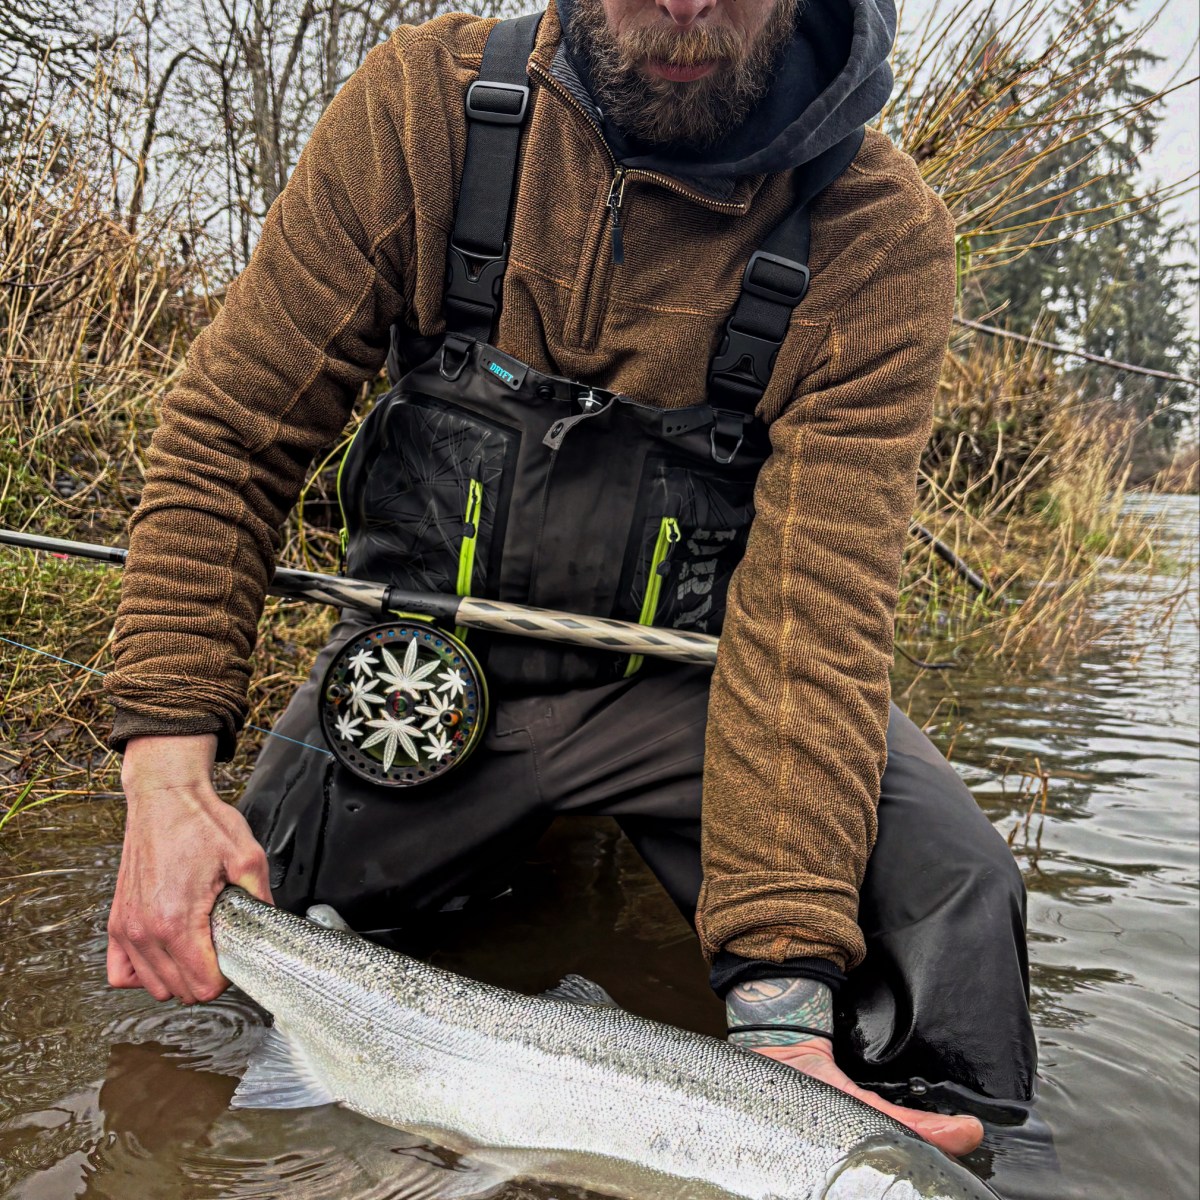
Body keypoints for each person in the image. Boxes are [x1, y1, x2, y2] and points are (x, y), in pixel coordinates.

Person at [102, 0, 1036, 1160]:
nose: (686, 6)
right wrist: (166, 782)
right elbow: (227, 443)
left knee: (956, 908)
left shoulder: (877, 238)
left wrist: (784, 1017)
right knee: (210, 954)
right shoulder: (421, 109)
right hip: (431, 691)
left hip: (696, 698)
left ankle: (961, 1155)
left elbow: (811, 632)